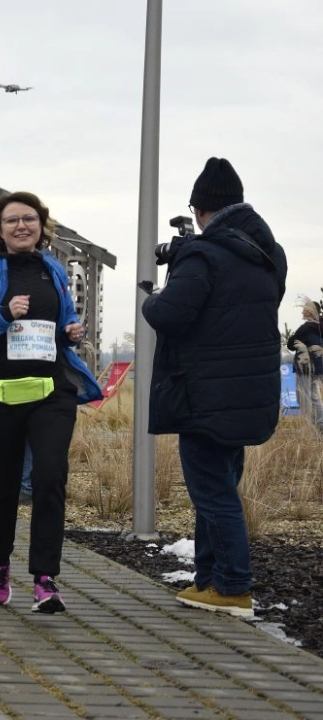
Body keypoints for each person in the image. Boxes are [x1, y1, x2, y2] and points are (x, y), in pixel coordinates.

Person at [143, 157, 286, 618]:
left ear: (201, 209)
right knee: (219, 487)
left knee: (213, 495)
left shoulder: (204, 255)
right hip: (247, 393)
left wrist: (153, 294)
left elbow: (170, 316)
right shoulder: (268, 254)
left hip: (204, 394)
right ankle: (209, 580)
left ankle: (232, 587)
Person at [0, 190, 101, 614]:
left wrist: (71, 330)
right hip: (0, 395)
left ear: (41, 225)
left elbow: (66, 317)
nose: (21, 226)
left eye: (29, 219)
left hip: (51, 392)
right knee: (4, 487)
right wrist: (2, 313)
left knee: (51, 477)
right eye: (12, 220)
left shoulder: (53, 270)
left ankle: (45, 578)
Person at [287, 298, 323, 431]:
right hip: (318, 366)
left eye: (305, 309)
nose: (302, 311)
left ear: (310, 312)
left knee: (303, 397)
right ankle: (320, 425)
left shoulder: (306, 328)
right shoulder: (320, 327)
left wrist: (292, 338)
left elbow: (291, 344)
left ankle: (309, 429)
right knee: (314, 396)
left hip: (305, 366)